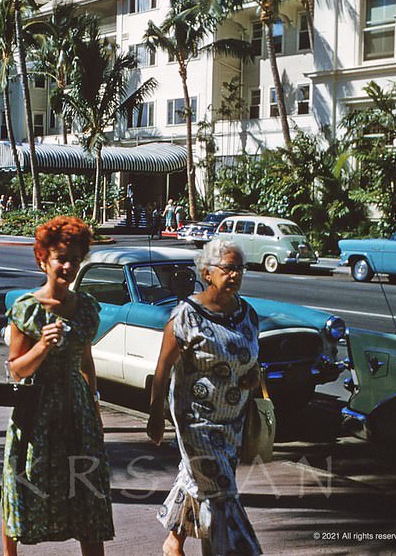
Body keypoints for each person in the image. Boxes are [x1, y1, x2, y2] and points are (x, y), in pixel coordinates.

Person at [1, 216, 114, 555]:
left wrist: (94, 405)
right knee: (23, 486)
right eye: (61, 258)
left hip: (77, 413)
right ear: (43, 260)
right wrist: (42, 346)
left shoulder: (86, 309)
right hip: (36, 413)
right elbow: (16, 370)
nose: (67, 266)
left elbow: (86, 361)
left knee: (87, 492)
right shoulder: (27, 309)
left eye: (75, 260)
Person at [146, 238, 262, 556]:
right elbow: (162, 369)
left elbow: (251, 360)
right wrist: (155, 415)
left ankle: (175, 542)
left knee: (199, 479)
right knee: (220, 491)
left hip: (232, 421)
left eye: (240, 268)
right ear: (208, 272)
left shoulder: (248, 314)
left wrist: (253, 376)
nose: (236, 274)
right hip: (196, 422)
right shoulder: (186, 316)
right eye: (228, 268)